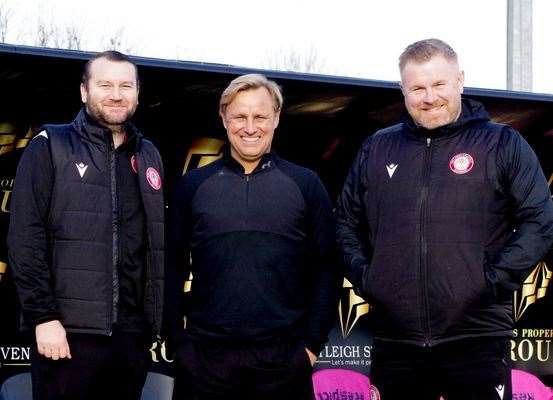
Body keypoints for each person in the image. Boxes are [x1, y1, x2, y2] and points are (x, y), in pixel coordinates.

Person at [336, 38, 553, 400]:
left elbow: (540, 220)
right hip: (396, 341)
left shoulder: (501, 143)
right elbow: (344, 222)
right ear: (402, 90)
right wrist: (369, 278)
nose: (429, 97)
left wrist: (491, 282)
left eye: (439, 84)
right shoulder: (377, 148)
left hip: (477, 338)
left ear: (460, 81)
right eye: (417, 87)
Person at [167, 73, 339, 400]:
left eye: (259, 116)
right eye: (239, 117)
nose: (249, 127)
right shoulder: (193, 186)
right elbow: (170, 268)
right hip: (205, 362)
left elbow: (327, 268)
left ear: (276, 117)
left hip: (284, 363)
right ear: (223, 118)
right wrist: (179, 344)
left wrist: (310, 347)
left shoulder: (306, 185)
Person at [8, 50, 165, 400]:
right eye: (105, 84)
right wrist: (43, 317)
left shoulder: (149, 154)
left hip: (131, 338)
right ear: (84, 91)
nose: (116, 94)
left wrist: (151, 325)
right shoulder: (50, 144)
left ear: (138, 94)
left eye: (126, 85)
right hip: (66, 336)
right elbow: (25, 238)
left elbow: (153, 245)